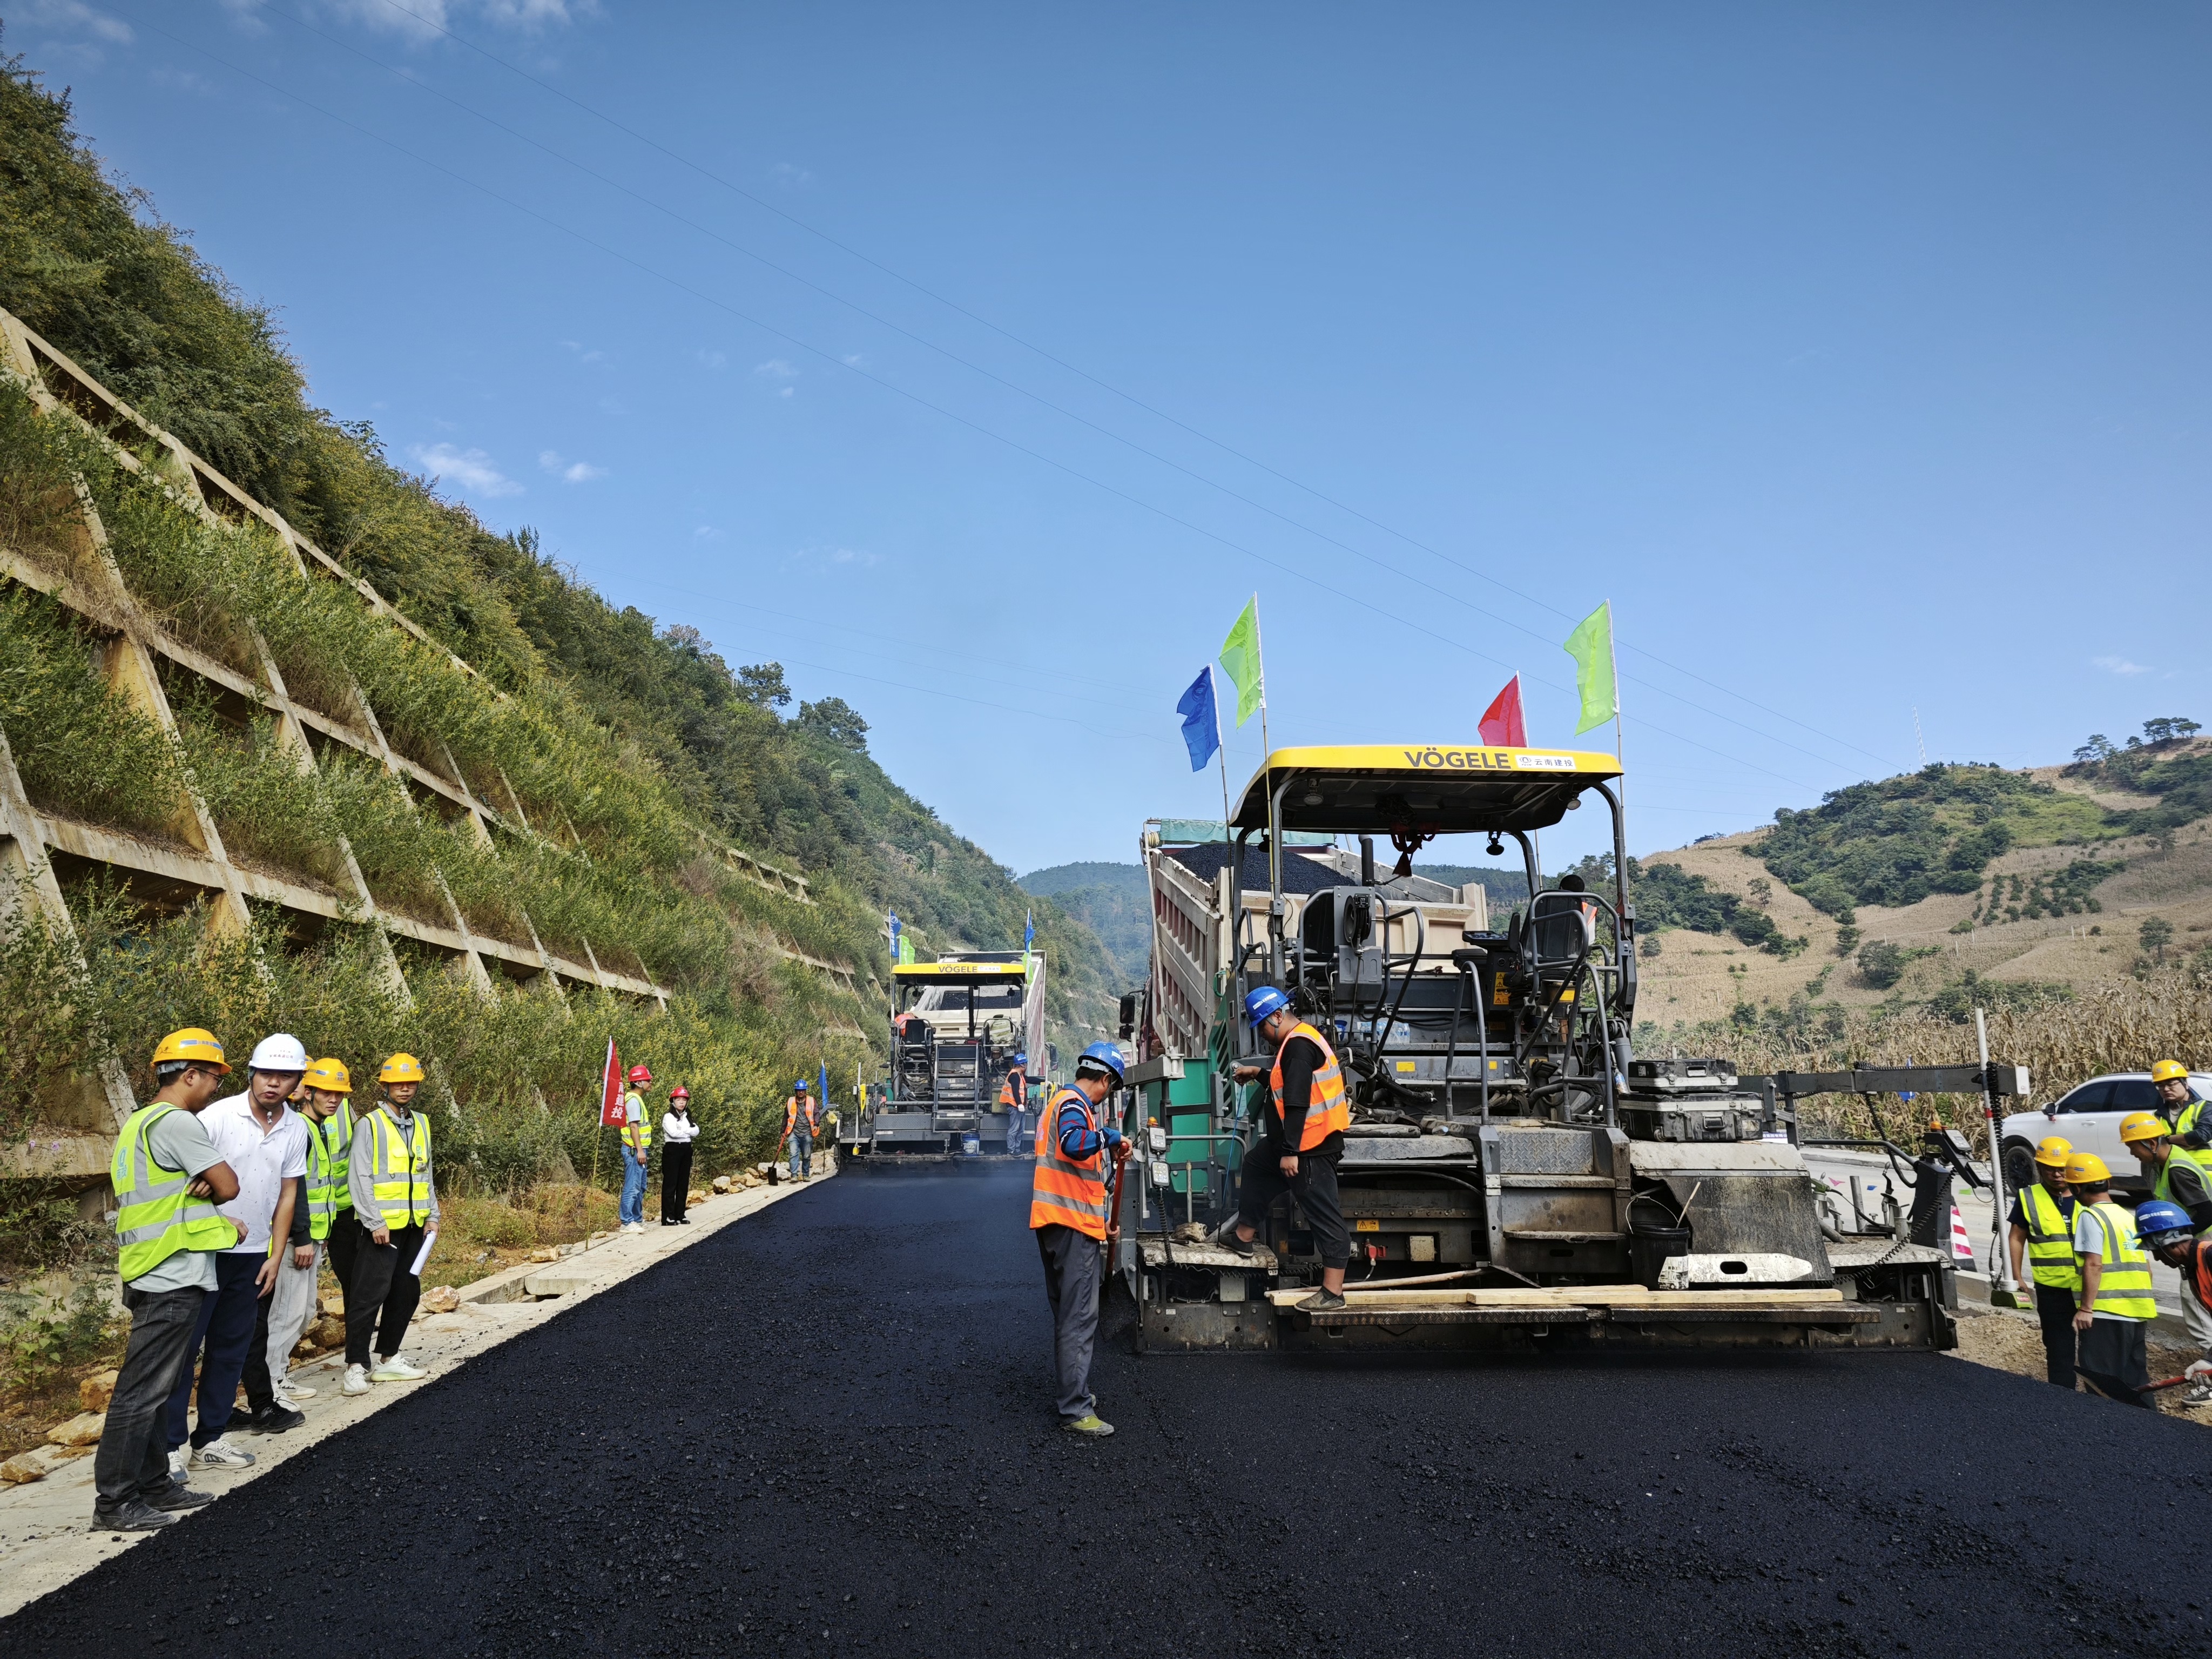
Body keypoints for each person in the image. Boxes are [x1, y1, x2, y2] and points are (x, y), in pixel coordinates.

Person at [92, 1030, 242, 1532]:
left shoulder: (140, 1122)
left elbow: (178, 1198)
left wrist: (200, 1191)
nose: (217, 1088)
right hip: (170, 1277)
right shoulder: (177, 1123)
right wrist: (217, 1198)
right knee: (139, 1394)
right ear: (190, 1074)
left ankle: (156, 1484)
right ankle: (114, 1504)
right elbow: (228, 1185)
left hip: (152, 1270)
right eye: (215, 1078)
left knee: (156, 1391)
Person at [164, 1033, 309, 1475]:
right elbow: (184, 1176)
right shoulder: (217, 1117)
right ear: (251, 1074)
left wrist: (274, 1254)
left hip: (252, 1255)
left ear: (297, 1082)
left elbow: (287, 1195)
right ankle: (170, 1448)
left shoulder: (296, 1128)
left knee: (230, 1349)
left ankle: (209, 1438)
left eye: (284, 1077)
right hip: (205, 1251)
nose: (273, 1084)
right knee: (185, 1352)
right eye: (266, 1074)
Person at [1217, 987, 1352, 1313]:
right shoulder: (1294, 1043)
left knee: (1323, 1212)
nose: (1263, 1034)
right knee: (1256, 1165)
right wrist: (1259, 1074)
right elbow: (1284, 1084)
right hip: (1294, 1143)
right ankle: (1244, 1238)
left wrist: (1290, 1151)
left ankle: (1333, 1292)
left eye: (1263, 1025)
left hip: (1311, 1147)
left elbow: (1296, 1102)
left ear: (1278, 1015)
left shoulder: (1299, 1047)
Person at [1030, 1041, 1126, 1437]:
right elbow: (1073, 1146)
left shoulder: (1060, 1102)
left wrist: (1104, 1223)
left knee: (1069, 1312)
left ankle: (1076, 1391)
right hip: (1071, 1227)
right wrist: (1107, 1136)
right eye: (1111, 1087)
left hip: (1058, 1221)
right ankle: (1075, 1409)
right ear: (1105, 1079)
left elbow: (1081, 1177)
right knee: (1079, 1316)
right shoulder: (1075, 1105)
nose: (1108, 1095)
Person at [248, 1057, 352, 1409]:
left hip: (312, 1237)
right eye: (326, 1092)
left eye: (339, 1094)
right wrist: (302, 1236)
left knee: (304, 1310)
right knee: (287, 1313)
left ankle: (277, 1374)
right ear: (307, 1092)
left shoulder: (316, 1128)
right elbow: (292, 1191)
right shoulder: (299, 1130)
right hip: (295, 1240)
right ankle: (269, 1383)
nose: (334, 1100)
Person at [342, 1053, 439, 1395]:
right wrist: (374, 1222)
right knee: (368, 1296)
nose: (404, 1087)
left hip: (415, 1226)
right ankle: (355, 1366)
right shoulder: (370, 1124)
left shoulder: (423, 1123)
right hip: (381, 1229)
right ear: (385, 1085)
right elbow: (360, 1176)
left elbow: (426, 1174)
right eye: (397, 1082)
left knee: (406, 1292)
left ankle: (388, 1359)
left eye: (410, 1082)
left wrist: (433, 1215)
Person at [2064, 1152, 2157, 1407]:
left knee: (2101, 1381)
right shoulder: (2127, 1216)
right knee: (2135, 1380)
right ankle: (2150, 1427)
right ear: (2107, 1183)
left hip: (2106, 1312)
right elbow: (2146, 1268)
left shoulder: (2091, 1216)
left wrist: (2086, 1309)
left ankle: (2105, 1433)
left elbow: (2094, 1263)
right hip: (2137, 1310)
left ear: (2077, 1187)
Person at [2003, 1135, 2079, 1388]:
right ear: (2039, 1167)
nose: (2057, 1175)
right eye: (2050, 1169)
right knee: (2058, 1347)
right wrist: (2017, 1275)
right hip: (2052, 1288)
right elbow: (2017, 1237)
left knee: (2096, 1348)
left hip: (2089, 1286)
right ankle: (2062, 1396)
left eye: (2062, 1169)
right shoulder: (2028, 1197)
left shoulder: (2087, 1192)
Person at [2133, 1198, 2212, 1406]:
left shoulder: (2210, 1257)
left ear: (2171, 1243)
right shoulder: (2194, 1268)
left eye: (2155, 1251)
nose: (2157, 1260)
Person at [620, 1063, 655, 1234]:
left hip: (639, 1150)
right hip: (634, 1150)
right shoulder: (633, 1101)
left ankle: (637, 1219)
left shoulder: (637, 1100)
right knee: (632, 1187)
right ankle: (626, 1222)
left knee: (640, 1187)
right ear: (639, 1082)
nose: (650, 1082)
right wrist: (640, 1150)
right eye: (648, 1080)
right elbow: (634, 1127)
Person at [660, 1085, 699, 1225]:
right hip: (673, 1149)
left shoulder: (687, 1116)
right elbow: (673, 1133)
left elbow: (697, 1131)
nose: (682, 1102)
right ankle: (668, 1216)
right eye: (679, 1099)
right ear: (673, 1101)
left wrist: (684, 1130)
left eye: (684, 1100)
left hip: (686, 1149)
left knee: (683, 1183)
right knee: (671, 1183)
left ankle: (680, 1214)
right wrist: (688, 1131)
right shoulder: (668, 1117)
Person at [2150, 1058, 2208, 1148]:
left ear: (2186, 1084)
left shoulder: (2205, 1108)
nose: (2166, 1089)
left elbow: (2201, 1135)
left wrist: (2167, 1140)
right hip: (2173, 1163)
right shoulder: (2158, 1115)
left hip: (2201, 1162)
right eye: (2160, 1086)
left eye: (2171, 1084)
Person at [784, 1078, 818, 1180]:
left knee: (807, 1155)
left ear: (806, 1090)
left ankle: (806, 1175)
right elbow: (786, 1116)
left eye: (803, 1090)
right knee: (793, 1154)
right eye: (799, 1090)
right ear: (796, 1091)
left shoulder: (811, 1100)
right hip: (794, 1132)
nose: (801, 1092)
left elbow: (816, 1113)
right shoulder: (790, 1101)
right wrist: (783, 1131)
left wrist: (816, 1124)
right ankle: (794, 1175)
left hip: (807, 1132)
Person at [999, 1053, 1029, 1155]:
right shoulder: (1015, 1076)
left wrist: (1044, 1081)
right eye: (1026, 1064)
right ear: (1023, 1065)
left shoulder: (1020, 1076)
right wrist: (1019, 1104)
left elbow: (1029, 1080)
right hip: (1015, 1107)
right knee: (1014, 1130)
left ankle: (1017, 1149)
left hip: (1019, 1108)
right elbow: (1015, 1091)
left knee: (1020, 1130)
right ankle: (1011, 1150)